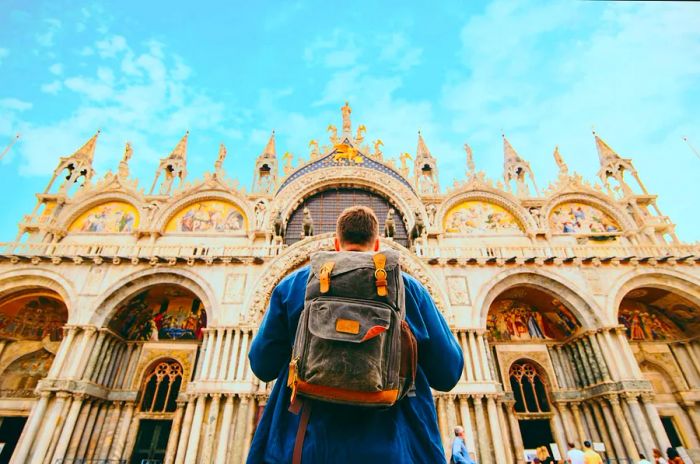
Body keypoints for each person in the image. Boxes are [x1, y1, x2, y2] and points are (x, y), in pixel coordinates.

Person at [246, 206, 464, 463]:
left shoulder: (294, 285)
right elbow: (448, 373)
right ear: (377, 244)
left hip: (307, 445)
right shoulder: (410, 289)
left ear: (336, 244)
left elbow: (262, 365)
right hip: (396, 447)